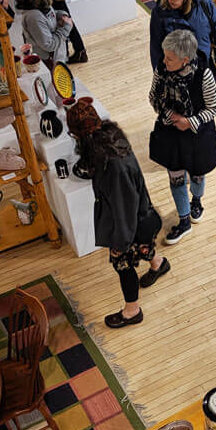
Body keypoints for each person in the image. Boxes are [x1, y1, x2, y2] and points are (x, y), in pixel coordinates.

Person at [68, 102, 169, 328]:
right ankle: (158, 264)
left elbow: (124, 208)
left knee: (122, 264)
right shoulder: (110, 136)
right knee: (143, 247)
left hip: (132, 224)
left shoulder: (112, 166)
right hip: (143, 215)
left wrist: (120, 245)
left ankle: (132, 311)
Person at [148, 29, 216, 244]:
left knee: (198, 173)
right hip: (170, 132)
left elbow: (214, 108)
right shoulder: (162, 68)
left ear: (185, 60)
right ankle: (183, 221)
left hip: (197, 134)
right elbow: (153, 97)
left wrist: (189, 122)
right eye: (165, 56)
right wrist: (171, 116)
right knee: (176, 177)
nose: (164, 61)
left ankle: (196, 201)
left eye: (170, 58)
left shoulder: (204, 74)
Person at [15, 0, 72, 66]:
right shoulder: (33, 16)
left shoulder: (40, 2)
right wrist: (66, 28)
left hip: (56, 58)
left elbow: (48, 18)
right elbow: (49, 45)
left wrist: (60, 15)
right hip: (49, 64)